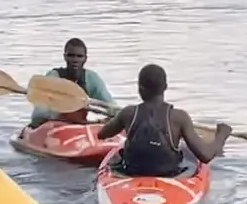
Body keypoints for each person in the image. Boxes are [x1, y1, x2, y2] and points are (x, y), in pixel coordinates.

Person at [98, 64, 231, 177]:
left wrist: (115, 121)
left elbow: (102, 134)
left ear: (139, 88)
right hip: (168, 175)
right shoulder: (179, 117)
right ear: (165, 87)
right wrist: (221, 135)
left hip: (132, 173)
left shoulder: (128, 113)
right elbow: (205, 156)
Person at [29, 38, 114, 128]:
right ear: (65, 57)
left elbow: (111, 106)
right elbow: (38, 115)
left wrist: (113, 118)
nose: (75, 60)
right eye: (71, 55)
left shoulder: (91, 78)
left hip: (80, 127)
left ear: (85, 59)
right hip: (55, 126)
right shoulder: (54, 77)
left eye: (79, 56)